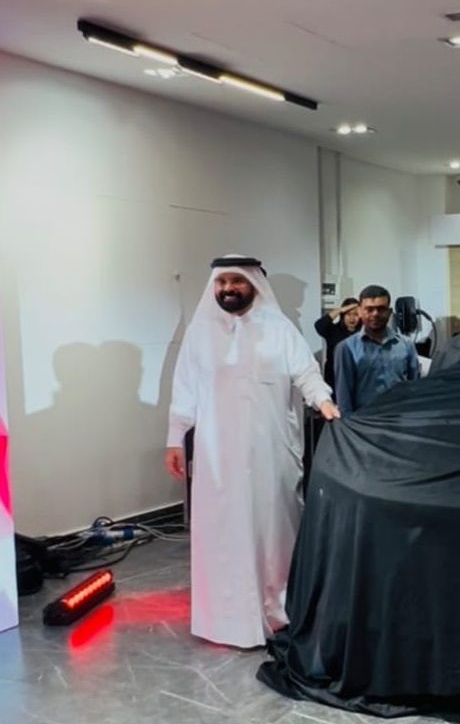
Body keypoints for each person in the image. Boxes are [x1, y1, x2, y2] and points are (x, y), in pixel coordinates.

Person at [164, 255, 340, 649]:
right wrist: (175, 437)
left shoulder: (280, 329)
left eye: (236, 281)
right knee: (221, 535)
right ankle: (224, 620)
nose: (228, 288)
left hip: (271, 456)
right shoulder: (200, 332)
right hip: (217, 460)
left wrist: (324, 402)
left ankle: (277, 612)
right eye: (221, 282)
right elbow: (185, 388)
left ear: (254, 284)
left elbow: (306, 373)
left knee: (273, 533)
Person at [334, 284, 420, 416]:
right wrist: (348, 426)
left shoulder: (406, 345)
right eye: (369, 309)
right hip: (365, 422)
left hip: (400, 419)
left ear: (389, 312)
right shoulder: (346, 348)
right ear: (360, 311)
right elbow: (344, 399)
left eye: (381, 309)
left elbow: (414, 388)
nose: (375, 314)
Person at [313, 297, 360, 392]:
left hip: (357, 381)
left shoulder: (364, 332)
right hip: (334, 380)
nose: (352, 318)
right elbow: (319, 325)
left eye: (356, 314)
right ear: (342, 315)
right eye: (348, 314)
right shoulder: (334, 331)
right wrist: (340, 310)